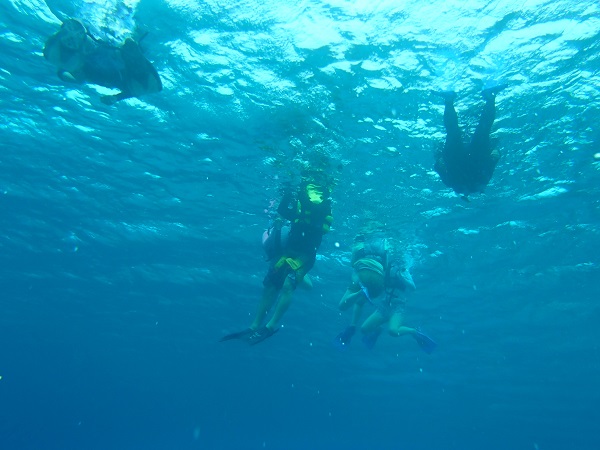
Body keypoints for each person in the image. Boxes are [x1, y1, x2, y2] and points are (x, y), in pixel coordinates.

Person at [221, 178, 334, 345]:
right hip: (288, 253)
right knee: (270, 285)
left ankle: (270, 325)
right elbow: (282, 210)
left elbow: (321, 218)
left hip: (305, 257)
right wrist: (288, 194)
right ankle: (254, 326)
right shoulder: (299, 211)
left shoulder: (322, 211)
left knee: (288, 285)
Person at [334, 231, 436, 353]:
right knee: (364, 329)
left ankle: (414, 331)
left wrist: (402, 276)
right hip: (384, 306)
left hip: (398, 307)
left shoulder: (404, 270)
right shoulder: (387, 268)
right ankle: (377, 330)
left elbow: (412, 287)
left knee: (393, 331)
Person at [43, 19, 162, 105]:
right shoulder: (90, 71)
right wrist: (116, 98)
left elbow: (77, 78)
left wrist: (116, 98)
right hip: (124, 56)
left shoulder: (91, 70)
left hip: (121, 53)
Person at [433, 85, 507, 198]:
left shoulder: (483, 180)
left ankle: (490, 98)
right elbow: (438, 166)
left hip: (476, 158)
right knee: (452, 131)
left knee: (483, 129)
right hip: (456, 159)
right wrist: (439, 154)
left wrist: (495, 149)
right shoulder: (452, 183)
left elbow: (494, 159)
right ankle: (449, 100)